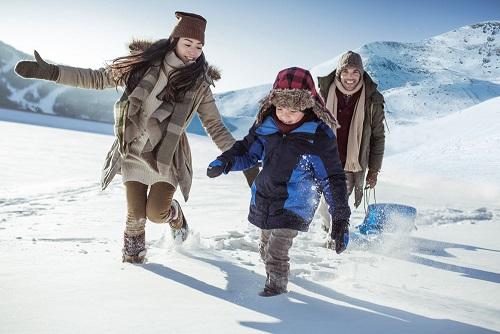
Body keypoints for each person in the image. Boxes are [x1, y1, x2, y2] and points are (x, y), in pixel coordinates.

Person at [14, 11, 259, 264]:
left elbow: (215, 126)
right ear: (174, 41)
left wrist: (242, 159)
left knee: (155, 213)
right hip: (133, 149)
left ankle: (175, 215)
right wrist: (52, 72)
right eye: (188, 44)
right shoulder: (141, 65)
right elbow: (97, 78)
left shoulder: (199, 85)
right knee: (135, 216)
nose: (194, 52)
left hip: (167, 156)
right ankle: (133, 262)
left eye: (199, 46)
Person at [206, 67, 351, 296]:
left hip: (295, 204)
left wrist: (340, 217)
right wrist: (225, 162)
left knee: (276, 250)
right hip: (265, 197)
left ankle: (276, 293)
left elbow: (332, 178)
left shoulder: (318, 136)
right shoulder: (266, 126)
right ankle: (276, 274)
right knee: (265, 248)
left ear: (308, 105)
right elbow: (247, 151)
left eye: (293, 109)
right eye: (281, 107)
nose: (285, 114)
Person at [317, 51, 386, 242]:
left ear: (361, 73)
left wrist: (374, 170)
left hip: (350, 164)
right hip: (324, 161)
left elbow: (378, 137)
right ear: (339, 73)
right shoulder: (322, 94)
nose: (350, 76)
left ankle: (336, 240)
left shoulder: (372, 99)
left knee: (338, 205)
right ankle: (330, 228)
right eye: (346, 71)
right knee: (324, 207)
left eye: (355, 71)